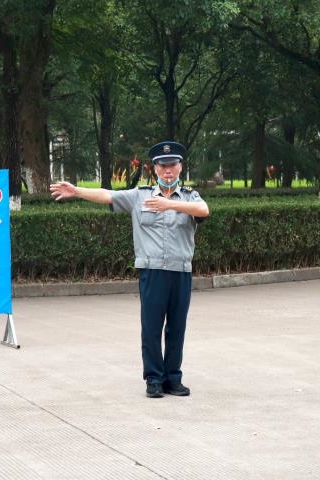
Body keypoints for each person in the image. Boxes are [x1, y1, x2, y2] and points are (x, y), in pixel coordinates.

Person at [50, 141, 209, 398]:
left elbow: (204, 210)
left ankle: (173, 378)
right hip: (152, 270)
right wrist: (77, 190)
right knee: (151, 326)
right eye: (163, 166)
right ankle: (154, 379)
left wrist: (170, 204)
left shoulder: (191, 196)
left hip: (181, 271)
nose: (168, 170)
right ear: (155, 169)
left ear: (180, 167)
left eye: (173, 165)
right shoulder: (140, 195)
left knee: (177, 327)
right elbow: (107, 195)